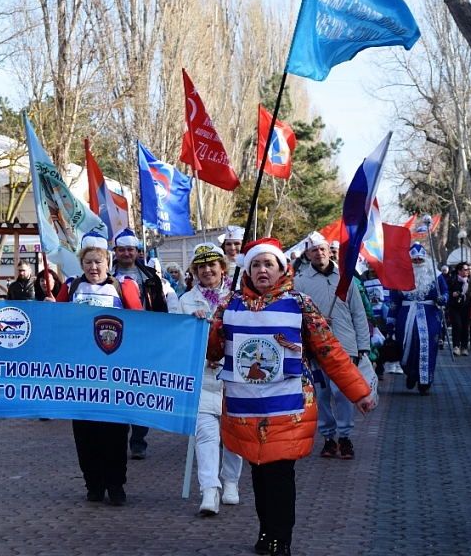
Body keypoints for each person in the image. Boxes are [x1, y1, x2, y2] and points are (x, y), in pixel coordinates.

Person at [204, 237, 374, 556]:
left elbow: (329, 351)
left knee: (279, 474)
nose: (262, 270)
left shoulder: (300, 304)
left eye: (269, 264)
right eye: (256, 264)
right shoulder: (229, 305)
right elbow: (213, 351)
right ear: (247, 270)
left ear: (282, 269)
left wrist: (359, 391)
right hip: (244, 409)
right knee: (259, 474)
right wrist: (212, 328)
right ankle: (267, 531)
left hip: (288, 407)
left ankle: (281, 538)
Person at [51, 233, 143, 505]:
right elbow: (56, 323)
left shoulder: (122, 286)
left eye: (99, 262)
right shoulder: (70, 286)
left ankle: (116, 484)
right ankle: (93, 483)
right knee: (85, 433)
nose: (94, 267)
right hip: (80, 374)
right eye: (89, 262)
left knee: (114, 431)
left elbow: (140, 322)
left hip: (114, 372)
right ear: (82, 264)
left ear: (108, 263)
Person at [293, 231, 370, 460]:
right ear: (308, 254)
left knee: (343, 393)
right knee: (322, 393)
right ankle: (328, 437)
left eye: (322, 249)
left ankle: (345, 437)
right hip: (316, 348)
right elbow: (294, 315)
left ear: (329, 251)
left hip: (344, 345)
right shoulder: (299, 282)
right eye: (314, 250)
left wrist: (363, 345)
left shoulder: (345, 279)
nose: (319, 253)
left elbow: (359, 313)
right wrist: (314, 321)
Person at [178, 242, 242, 515]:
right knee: (205, 435)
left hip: (233, 378)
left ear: (222, 268)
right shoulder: (184, 301)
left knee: (233, 436)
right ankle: (209, 490)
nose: (207, 270)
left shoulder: (238, 297)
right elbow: (179, 342)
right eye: (201, 266)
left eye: (211, 265)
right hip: (202, 378)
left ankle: (230, 482)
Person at [113, 227, 167, 459]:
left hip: (142, 342)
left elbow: (161, 311)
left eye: (130, 249)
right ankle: (117, 436)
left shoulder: (150, 278)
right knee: (116, 391)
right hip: (113, 341)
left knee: (140, 389)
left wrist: (160, 337)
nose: (126, 253)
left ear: (137, 251)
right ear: (115, 251)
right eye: (122, 249)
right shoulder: (107, 276)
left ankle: (138, 441)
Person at [386, 244, 449, 395]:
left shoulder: (436, 274)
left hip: (430, 317)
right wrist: (390, 322)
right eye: (415, 260)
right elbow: (394, 301)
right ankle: (411, 374)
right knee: (406, 346)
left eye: (421, 259)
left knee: (427, 348)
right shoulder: (399, 276)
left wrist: (443, 298)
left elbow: (445, 292)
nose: (419, 263)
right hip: (406, 317)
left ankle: (425, 381)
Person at [446, 262, 471, 356]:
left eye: (469, 269)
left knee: (465, 327)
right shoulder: (452, 279)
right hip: (454, 307)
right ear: (459, 271)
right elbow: (445, 291)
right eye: (465, 269)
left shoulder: (470, 280)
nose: (468, 271)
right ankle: (456, 346)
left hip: (466, 307)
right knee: (457, 325)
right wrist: (452, 294)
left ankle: (464, 347)